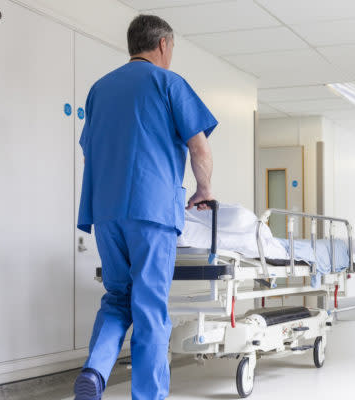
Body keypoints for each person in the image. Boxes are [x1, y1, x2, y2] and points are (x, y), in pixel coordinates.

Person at [73, 15, 218, 400]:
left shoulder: (99, 89)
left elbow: (90, 155)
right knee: (150, 305)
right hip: (152, 213)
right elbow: (199, 148)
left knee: (118, 298)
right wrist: (203, 190)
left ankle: (96, 371)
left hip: (106, 212)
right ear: (164, 45)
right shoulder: (170, 83)